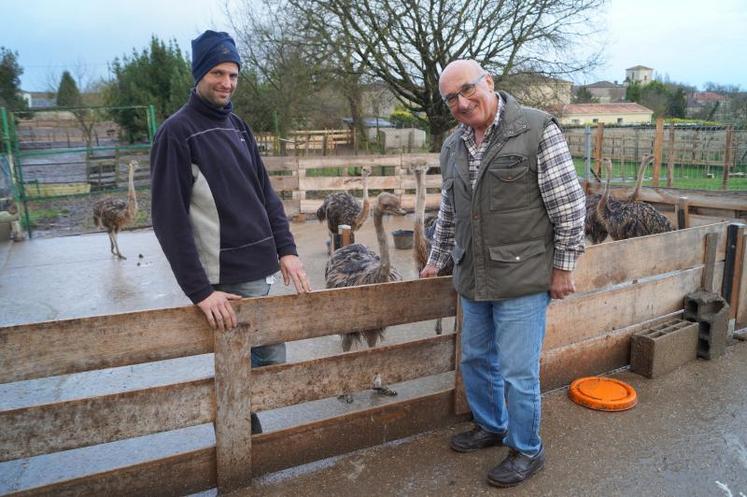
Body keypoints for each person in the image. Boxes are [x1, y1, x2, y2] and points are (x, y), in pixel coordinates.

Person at [420, 60, 585, 487]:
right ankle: (491, 425)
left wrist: (564, 267)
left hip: (523, 278)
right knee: (475, 358)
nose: (461, 102)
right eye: (451, 98)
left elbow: (569, 206)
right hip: (473, 275)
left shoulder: (536, 129)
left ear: (488, 83)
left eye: (467, 90)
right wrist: (436, 259)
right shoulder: (452, 145)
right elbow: (450, 211)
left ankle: (527, 448)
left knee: (517, 370)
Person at [150, 30, 312, 430]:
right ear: (199, 74)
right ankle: (240, 440)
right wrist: (200, 290)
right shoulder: (177, 133)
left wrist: (286, 250)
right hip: (225, 277)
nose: (226, 83)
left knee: (269, 357)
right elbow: (168, 220)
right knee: (243, 360)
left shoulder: (238, 126)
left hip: (260, 268)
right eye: (217, 73)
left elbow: (265, 193)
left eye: (233, 75)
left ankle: (244, 429)